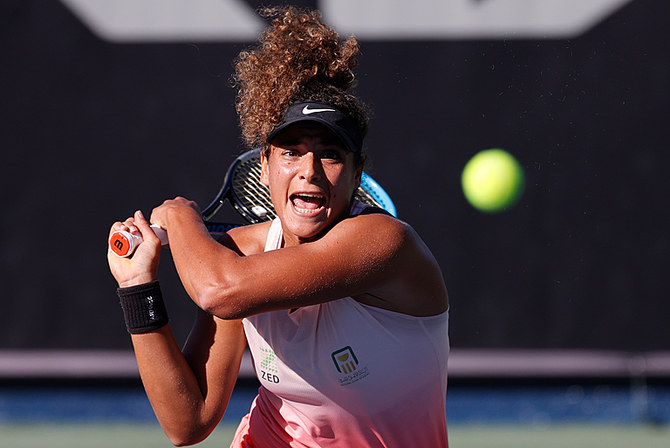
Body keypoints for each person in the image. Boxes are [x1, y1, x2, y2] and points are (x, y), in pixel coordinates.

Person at [108, 7, 449, 448]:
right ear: (264, 165)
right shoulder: (238, 256)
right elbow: (188, 422)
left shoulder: (386, 243)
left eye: (329, 154)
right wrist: (138, 286)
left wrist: (179, 215)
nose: (309, 171)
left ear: (356, 171)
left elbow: (219, 290)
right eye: (290, 152)